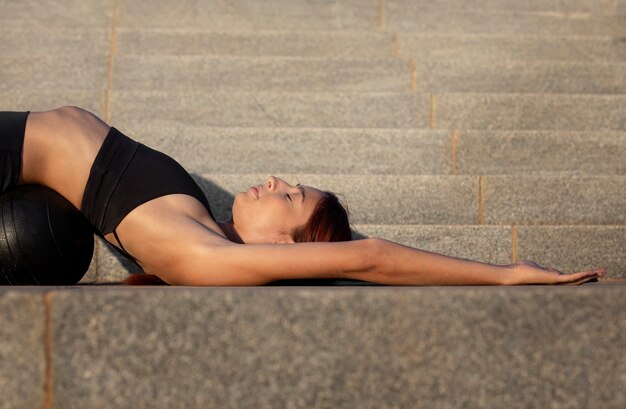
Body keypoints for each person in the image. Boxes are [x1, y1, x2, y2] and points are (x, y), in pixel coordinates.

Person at [1, 107, 604, 286]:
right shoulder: (207, 237)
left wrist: (505, 274)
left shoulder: (207, 257)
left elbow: (371, 257)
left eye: (289, 198)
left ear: (280, 248)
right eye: (290, 184)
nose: (274, 182)